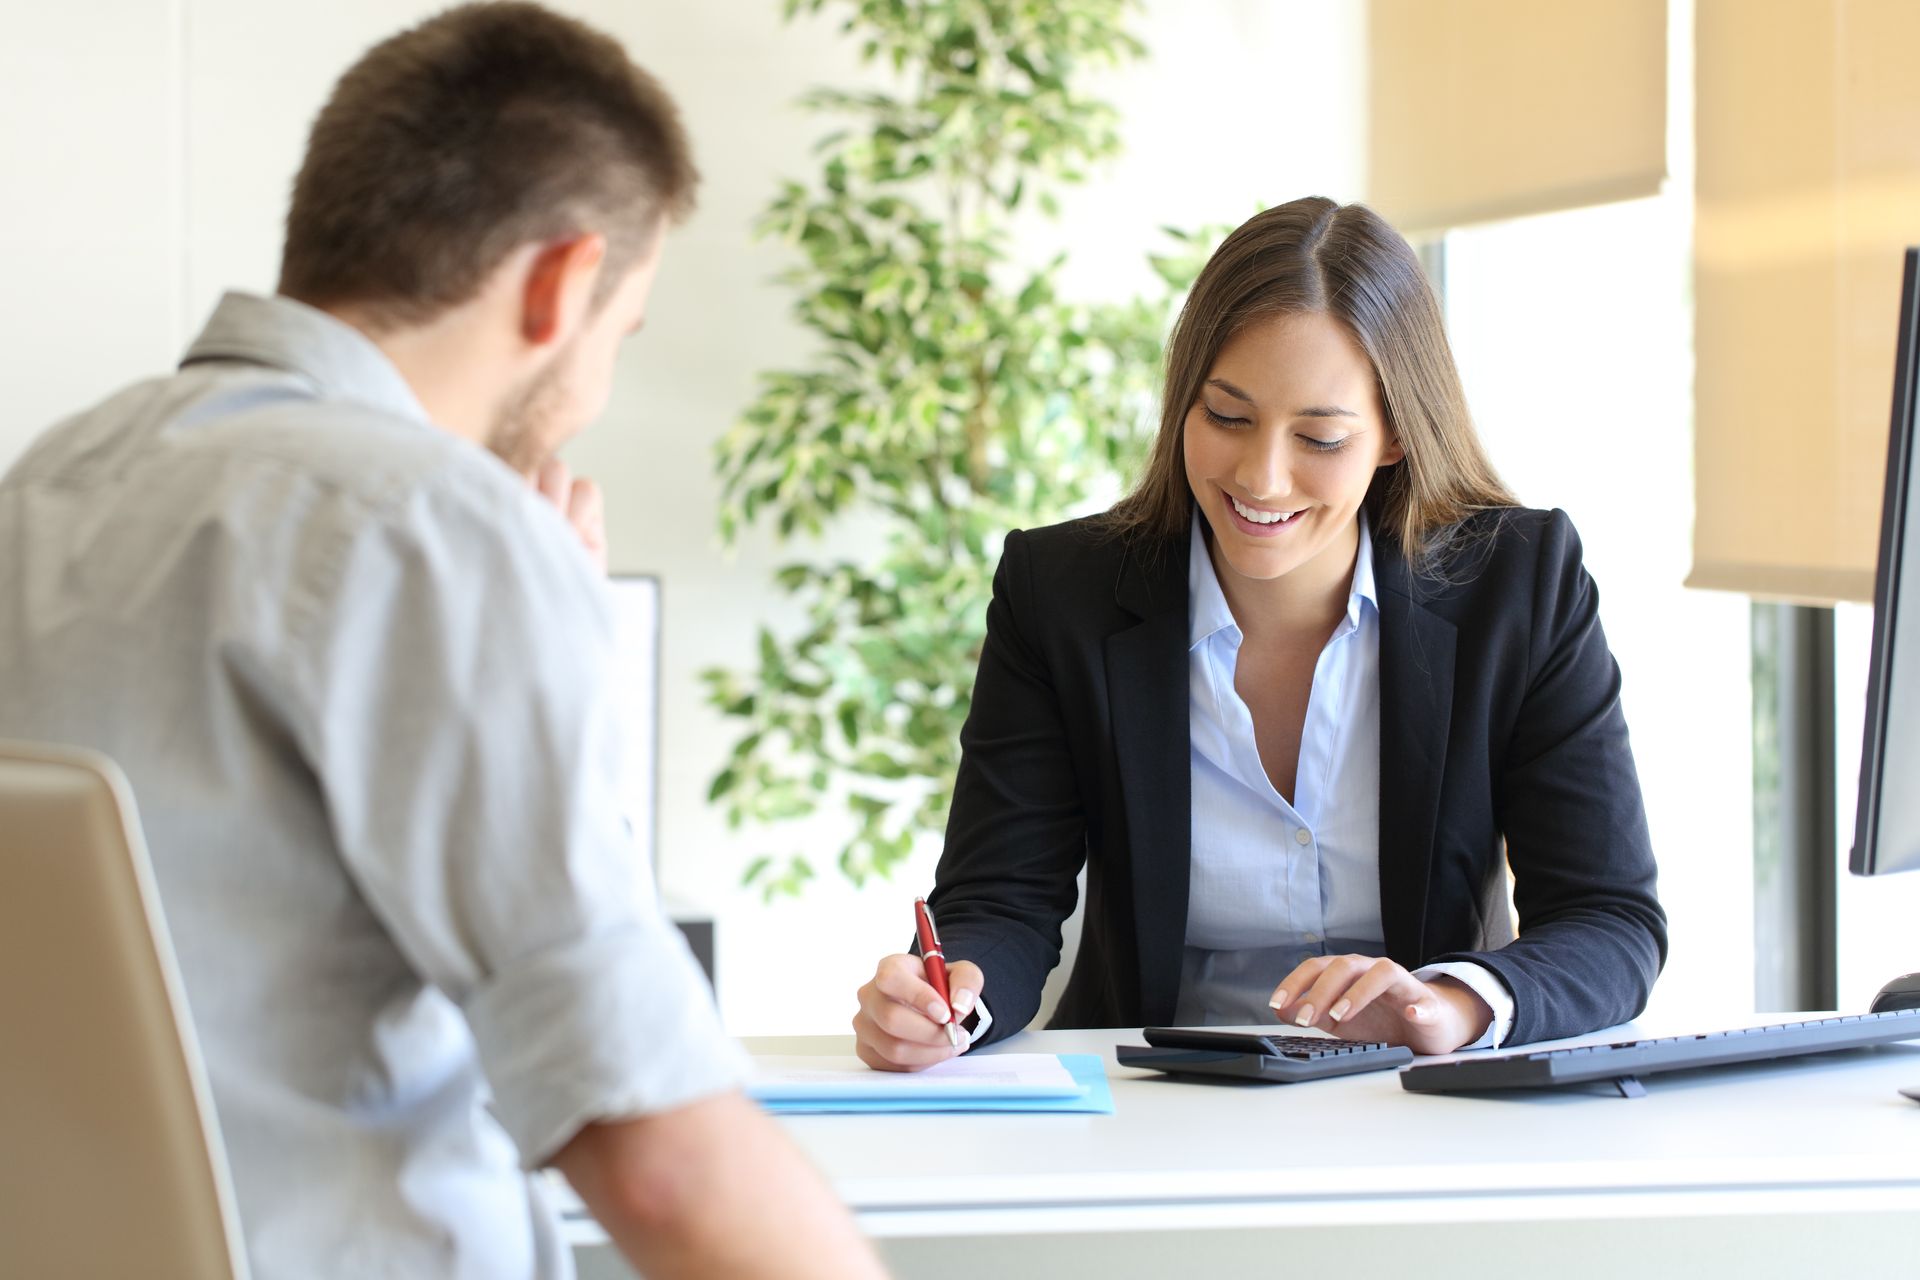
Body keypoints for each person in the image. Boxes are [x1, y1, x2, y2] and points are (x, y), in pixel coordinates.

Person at [0, 6, 884, 1278]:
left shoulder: (53, 477)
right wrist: (524, 613)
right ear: (561, 284)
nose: (598, 386)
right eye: (619, 334)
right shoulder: (423, 525)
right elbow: (662, 1159)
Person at [854, 196, 1667, 1071]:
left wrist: (1452, 1003)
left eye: (1319, 436)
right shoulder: (1063, 594)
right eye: (1228, 418)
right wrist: (951, 1004)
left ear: (1394, 436)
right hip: (1153, 1107)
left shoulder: (1520, 583)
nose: (1261, 477)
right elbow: (1001, 901)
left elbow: (1609, 919)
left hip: (1420, 1103)